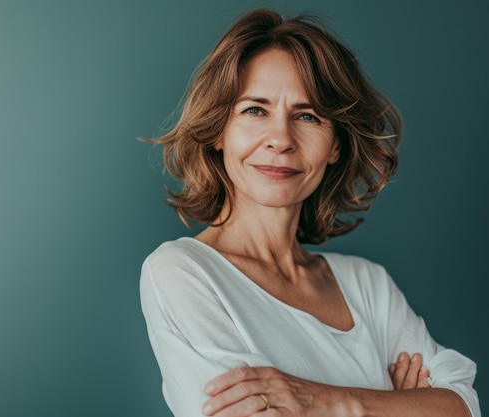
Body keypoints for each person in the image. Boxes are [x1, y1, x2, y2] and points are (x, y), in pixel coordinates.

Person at [139, 8, 480, 417]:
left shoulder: (368, 285)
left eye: (307, 116)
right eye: (255, 110)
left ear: (335, 144)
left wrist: (333, 401)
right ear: (217, 130)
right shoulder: (182, 272)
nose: (281, 139)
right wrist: (396, 402)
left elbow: (462, 404)